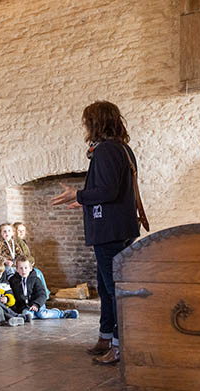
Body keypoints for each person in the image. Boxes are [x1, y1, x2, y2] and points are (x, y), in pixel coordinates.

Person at [51, 100, 141, 365]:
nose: (85, 127)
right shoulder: (122, 149)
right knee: (106, 286)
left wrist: (78, 193)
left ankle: (118, 345)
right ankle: (105, 337)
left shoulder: (105, 151)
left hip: (109, 230)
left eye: (87, 122)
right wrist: (85, 199)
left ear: (95, 123)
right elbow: (112, 190)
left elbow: (109, 192)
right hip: (120, 226)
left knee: (113, 289)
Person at [9, 255, 78, 321]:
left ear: (30, 268)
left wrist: (36, 304)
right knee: (27, 315)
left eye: (26, 268)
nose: (23, 271)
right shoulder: (13, 280)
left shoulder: (35, 279)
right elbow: (12, 294)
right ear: (17, 269)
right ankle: (31, 316)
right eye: (21, 268)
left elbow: (42, 294)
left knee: (42, 314)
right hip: (24, 307)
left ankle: (63, 314)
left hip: (37, 303)